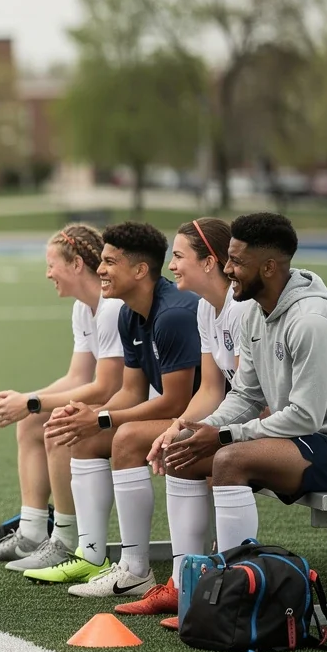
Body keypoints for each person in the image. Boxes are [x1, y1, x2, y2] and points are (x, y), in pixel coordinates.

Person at [153, 212, 327, 627]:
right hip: (310, 439)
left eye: (236, 261)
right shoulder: (255, 311)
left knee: (230, 460)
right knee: (182, 452)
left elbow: (304, 417)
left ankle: (232, 603)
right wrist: (199, 430)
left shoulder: (311, 321)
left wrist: (223, 437)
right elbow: (247, 395)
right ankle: (188, 590)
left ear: (269, 267)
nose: (228, 268)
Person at [37, 222, 201, 596]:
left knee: (124, 437)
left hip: (206, 417)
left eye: (110, 262)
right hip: (182, 414)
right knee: (88, 436)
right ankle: (91, 554)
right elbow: (131, 391)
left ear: (140, 270)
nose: (100, 269)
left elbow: (178, 402)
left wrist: (102, 416)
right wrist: (89, 416)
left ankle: (135, 570)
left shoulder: (173, 313)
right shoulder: (129, 313)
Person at [0, 225, 125, 571]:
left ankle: (65, 539)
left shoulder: (112, 309)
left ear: (76, 266)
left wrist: (31, 401)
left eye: (51, 265)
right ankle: (30, 533)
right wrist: (28, 402)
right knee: (32, 422)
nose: (47, 274)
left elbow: (106, 388)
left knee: (59, 423)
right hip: (115, 401)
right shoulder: (82, 309)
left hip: (134, 405)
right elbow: (77, 376)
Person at [113, 218, 242, 616]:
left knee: (205, 455)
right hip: (243, 417)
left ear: (209, 263)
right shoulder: (207, 309)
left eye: (180, 256)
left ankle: (232, 586)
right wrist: (176, 428)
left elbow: (255, 399)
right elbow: (211, 391)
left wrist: (202, 431)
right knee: (176, 448)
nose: (171, 265)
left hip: (276, 425)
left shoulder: (242, 311)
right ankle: (183, 583)